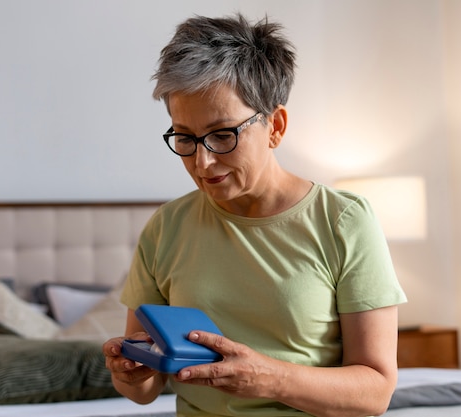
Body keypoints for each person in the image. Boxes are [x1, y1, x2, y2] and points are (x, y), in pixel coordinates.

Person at [103, 13, 407, 417]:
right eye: (184, 137)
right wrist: (131, 374)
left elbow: (375, 392)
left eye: (223, 134)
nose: (203, 161)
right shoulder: (166, 227)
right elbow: (145, 388)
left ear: (275, 125)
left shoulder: (343, 221)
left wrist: (270, 378)